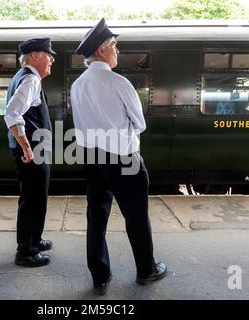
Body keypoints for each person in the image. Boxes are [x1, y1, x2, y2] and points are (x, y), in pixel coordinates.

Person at [71, 18, 167, 295]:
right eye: (115, 45)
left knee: (96, 216)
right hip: (124, 158)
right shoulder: (118, 82)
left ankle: (100, 277)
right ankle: (146, 270)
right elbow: (140, 123)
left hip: (92, 157)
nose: (117, 51)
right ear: (101, 50)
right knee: (136, 215)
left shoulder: (78, 85)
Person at [4, 38, 55, 267]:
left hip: (32, 150)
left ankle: (34, 239)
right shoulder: (31, 78)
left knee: (34, 197)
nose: (52, 58)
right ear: (35, 55)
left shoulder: (21, 75)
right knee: (33, 200)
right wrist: (26, 146)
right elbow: (12, 113)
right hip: (32, 151)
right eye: (48, 54)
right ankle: (26, 251)